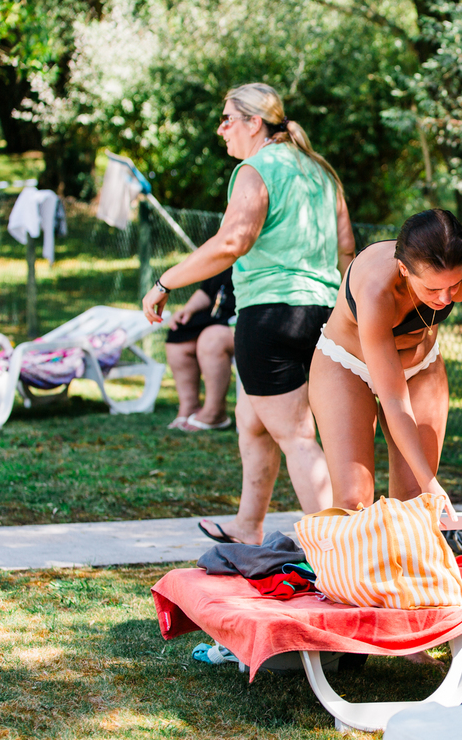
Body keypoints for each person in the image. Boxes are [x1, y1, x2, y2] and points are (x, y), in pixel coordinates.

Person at [142, 82, 354, 545]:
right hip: (322, 313)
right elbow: (345, 250)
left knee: (297, 436)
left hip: (270, 316)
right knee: (252, 420)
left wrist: (165, 283)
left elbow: (232, 243)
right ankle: (247, 526)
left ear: (254, 123)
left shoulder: (255, 169)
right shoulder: (320, 171)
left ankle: (343, 551)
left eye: (227, 119)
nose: (221, 130)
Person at [309, 209, 462, 520]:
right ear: (404, 270)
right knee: (353, 499)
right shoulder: (376, 290)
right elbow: (394, 400)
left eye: (455, 285)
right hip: (346, 364)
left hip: (421, 365)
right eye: (433, 289)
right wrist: (431, 482)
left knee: (415, 499)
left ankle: (410, 569)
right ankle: (352, 568)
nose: (447, 299)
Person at [164, 268, 236, 431]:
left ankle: (215, 413)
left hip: (247, 316)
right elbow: (207, 290)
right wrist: (187, 309)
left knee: (211, 340)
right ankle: (189, 407)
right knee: (178, 336)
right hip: (219, 315)